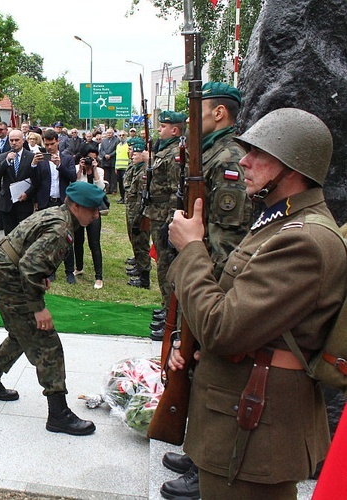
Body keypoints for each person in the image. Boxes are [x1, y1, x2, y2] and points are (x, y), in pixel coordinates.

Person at [165, 108, 345, 499]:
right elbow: (237, 306)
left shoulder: (303, 240)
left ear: (292, 168)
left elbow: (224, 329)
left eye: (258, 154)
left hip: (255, 429)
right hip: (239, 411)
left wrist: (191, 249)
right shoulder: (278, 222)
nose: (243, 161)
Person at [156, 83, 254, 497]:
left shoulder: (228, 156)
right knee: (193, 369)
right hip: (197, 275)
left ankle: (207, 467)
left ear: (219, 115)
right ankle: (197, 451)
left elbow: (226, 238)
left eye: (197, 110)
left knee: (210, 374)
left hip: (211, 282)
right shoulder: (209, 153)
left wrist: (206, 291)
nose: (188, 120)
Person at [0, 182, 106, 436]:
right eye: (92, 209)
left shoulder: (58, 214)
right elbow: (29, 267)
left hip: (2, 271)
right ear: (76, 206)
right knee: (46, 342)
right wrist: (38, 308)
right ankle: (58, 414)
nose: (96, 214)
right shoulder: (61, 228)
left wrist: (41, 274)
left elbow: (30, 252)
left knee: (20, 333)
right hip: (6, 279)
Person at [142, 111, 186, 334]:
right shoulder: (164, 151)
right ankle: (166, 306)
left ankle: (172, 314)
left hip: (165, 216)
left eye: (163, 127)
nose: (159, 130)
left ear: (174, 130)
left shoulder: (174, 155)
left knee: (168, 267)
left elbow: (175, 192)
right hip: (157, 213)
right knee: (162, 266)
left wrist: (170, 221)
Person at [36, 129, 77, 283]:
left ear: (57, 141)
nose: (49, 148)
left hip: (63, 203)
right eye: (46, 145)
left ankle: (69, 271)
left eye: (52, 144)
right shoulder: (41, 160)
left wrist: (59, 165)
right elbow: (36, 181)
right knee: (48, 239)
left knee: (67, 238)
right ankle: (50, 270)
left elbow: (72, 177)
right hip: (46, 202)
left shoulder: (67, 159)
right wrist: (34, 165)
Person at [0, 129, 40, 235]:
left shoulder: (31, 157)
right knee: (9, 236)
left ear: (23, 140)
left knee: (25, 235)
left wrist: (28, 194)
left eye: (17, 140)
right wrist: (6, 162)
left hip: (24, 203)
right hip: (7, 203)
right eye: (11, 140)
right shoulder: (3, 157)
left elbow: (36, 180)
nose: (14, 143)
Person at [73, 151, 109, 289]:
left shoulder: (99, 170)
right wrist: (81, 170)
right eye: (86, 159)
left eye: (92, 159)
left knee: (94, 243)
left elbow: (100, 187)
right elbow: (75, 185)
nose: (88, 162)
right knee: (78, 240)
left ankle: (99, 277)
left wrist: (93, 170)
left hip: (93, 211)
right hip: (79, 210)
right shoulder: (78, 169)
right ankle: (79, 267)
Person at [125, 142, 151, 290]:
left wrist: (139, 216)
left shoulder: (143, 173)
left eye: (136, 153)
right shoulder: (136, 168)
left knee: (141, 243)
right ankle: (139, 268)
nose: (133, 155)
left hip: (138, 212)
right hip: (132, 209)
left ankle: (144, 277)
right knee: (135, 240)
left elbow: (142, 197)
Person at [99, 128, 119, 194]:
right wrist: (105, 155)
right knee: (106, 176)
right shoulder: (103, 141)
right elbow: (101, 150)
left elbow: (117, 150)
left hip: (112, 160)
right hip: (105, 161)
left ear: (113, 133)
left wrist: (110, 155)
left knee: (113, 176)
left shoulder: (117, 140)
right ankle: (107, 189)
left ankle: (113, 190)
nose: (109, 134)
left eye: (110, 133)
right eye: (107, 133)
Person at [115, 130, 130, 203]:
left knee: (125, 184)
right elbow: (117, 156)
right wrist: (116, 167)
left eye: (123, 135)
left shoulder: (128, 145)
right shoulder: (118, 146)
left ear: (126, 136)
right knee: (120, 184)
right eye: (120, 135)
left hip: (125, 167)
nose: (121, 136)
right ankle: (122, 197)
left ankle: (125, 198)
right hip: (119, 167)